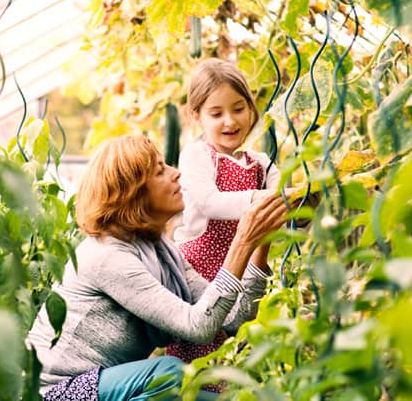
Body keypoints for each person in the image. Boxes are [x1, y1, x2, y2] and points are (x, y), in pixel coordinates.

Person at [26, 135, 290, 400]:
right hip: (55, 393)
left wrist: (261, 240)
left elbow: (234, 319)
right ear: (132, 192)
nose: (176, 174)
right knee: (171, 374)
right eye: (160, 171)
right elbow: (199, 327)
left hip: (103, 387)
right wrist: (242, 242)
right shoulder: (107, 256)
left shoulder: (161, 252)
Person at [166, 59, 292, 367]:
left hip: (243, 268)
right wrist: (268, 199)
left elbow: (284, 207)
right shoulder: (197, 155)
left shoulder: (262, 162)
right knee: (200, 356)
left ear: (251, 108)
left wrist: (298, 202)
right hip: (197, 270)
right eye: (216, 113)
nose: (229, 121)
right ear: (195, 116)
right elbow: (211, 202)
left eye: (238, 108)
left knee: (237, 356)